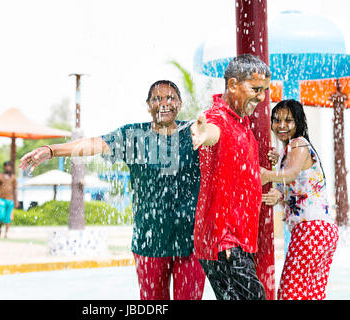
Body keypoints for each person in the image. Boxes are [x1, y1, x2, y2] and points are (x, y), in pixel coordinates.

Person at [20, 80, 206, 300]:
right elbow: (93, 144)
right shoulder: (134, 136)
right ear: (148, 105)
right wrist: (52, 150)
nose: (164, 103)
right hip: (149, 240)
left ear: (180, 104)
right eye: (157, 98)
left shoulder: (194, 133)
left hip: (191, 241)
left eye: (170, 98)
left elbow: (220, 137)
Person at [190, 54, 271, 300]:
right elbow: (212, 131)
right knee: (255, 296)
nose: (261, 96)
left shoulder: (241, 124)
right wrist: (203, 133)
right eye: (256, 89)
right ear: (233, 84)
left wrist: (279, 178)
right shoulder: (218, 118)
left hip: (236, 239)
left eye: (264, 90)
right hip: (223, 241)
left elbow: (249, 175)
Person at [260, 99, 339, 300]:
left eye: (288, 120)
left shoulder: (298, 143)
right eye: (276, 120)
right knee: (310, 294)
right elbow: (293, 184)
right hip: (324, 230)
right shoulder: (293, 149)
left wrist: (266, 174)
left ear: (299, 122)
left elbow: (293, 173)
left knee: (290, 293)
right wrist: (277, 185)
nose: (281, 125)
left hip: (310, 229)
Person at [0, 161, 18, 238]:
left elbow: (15, 189)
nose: (8, 168)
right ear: (4, 167)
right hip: (2, 199)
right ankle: (0, 229)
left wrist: (16, 200)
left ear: (11, 168)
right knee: (0, 216)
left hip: (10, 200)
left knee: (8, 217)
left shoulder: (13, 177)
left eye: (9, 166)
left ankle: (6, 233)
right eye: (6, 166)